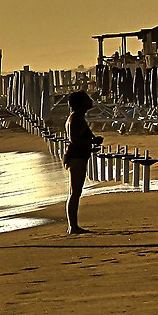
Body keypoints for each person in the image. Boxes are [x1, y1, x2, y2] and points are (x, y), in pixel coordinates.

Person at [61, 91, 100, 235]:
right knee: (75, 192)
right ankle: (73, 226)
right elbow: (74, 140)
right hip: (76, 158)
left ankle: (74, 225)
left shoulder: (78, 117)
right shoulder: (75, 118)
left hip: (79, 157)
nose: (90, 101)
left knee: (75, 192)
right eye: (87, 99)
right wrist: (92, 141)